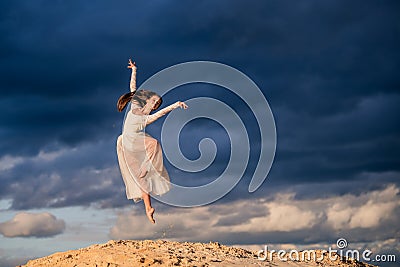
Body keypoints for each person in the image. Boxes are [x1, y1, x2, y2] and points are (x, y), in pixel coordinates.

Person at [116, 59, 188, 224]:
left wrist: (175, 105)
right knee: (153, 145)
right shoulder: (137, 107)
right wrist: (134, 70)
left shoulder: (143, 115)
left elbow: (160, 112)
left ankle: (148, 208)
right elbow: (133, 88)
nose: (153, 106)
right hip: (131, 144)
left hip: (129, 144)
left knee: (142, 176)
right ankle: (145, 167)